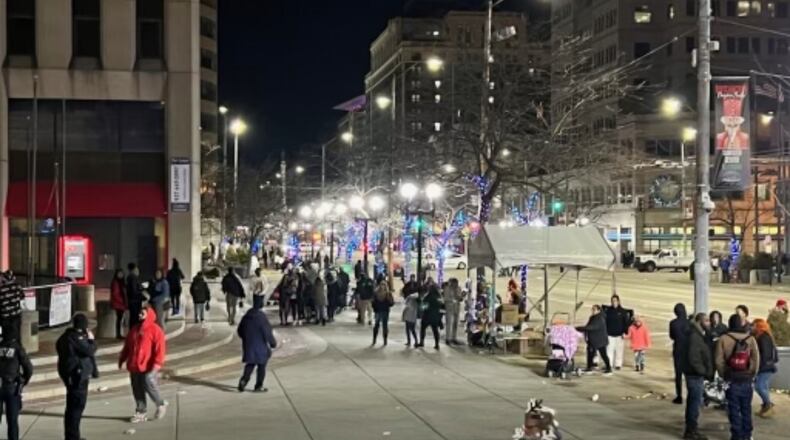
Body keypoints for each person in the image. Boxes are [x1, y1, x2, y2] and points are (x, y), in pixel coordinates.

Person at [119, 306, 167, 424]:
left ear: (149, 315)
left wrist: (157, 364)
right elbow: (127, 346)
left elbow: (160, 349)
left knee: (148, 381)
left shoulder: (156, 330)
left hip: (149, 365)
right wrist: (122, 359)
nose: (139, 315)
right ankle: (141, 411)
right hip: (134, 364)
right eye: (140, 313)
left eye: (142, 313)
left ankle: (160, 403)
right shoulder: (134, 329)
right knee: (137, 389)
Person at [715, 314, 759, 440]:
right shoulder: (750, 339)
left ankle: (736, 434)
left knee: (733, 408)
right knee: (746, 408)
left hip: (731, 379)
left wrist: (724, 374)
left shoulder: (723, 339)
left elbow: (718, 360)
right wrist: (751, 373)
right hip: (746, 379)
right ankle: (747, 434)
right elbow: (756, 359)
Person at [56, 313, 98, 440]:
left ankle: (72, 435)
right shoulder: (76, 338)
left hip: (71, 375)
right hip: (77, 377)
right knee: (76, 407)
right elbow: (90, 350)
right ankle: (72, 437)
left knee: (72, 407)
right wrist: (91, 340)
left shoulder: (64, 337)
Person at [682, 313, 714, 440]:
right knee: (694, 403)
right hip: (694, 375)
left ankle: (691, 429)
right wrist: (703, 371)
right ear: (700, 322)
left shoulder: (698, 335)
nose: (709, 323)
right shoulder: (695, 336)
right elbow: (694, 358)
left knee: (694, 402)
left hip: (694, 374)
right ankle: (691, 431)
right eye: (706, 321)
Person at [237, 295, 277, 392]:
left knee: (250, 363)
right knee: (261, 365)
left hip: (249, 345)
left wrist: (246, 338)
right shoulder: (261, 317)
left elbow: (240, 330)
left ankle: (244, 380)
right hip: (260, 346)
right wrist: (273, 343)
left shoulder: (246, 317)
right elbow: (267, 332)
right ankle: (258, 385)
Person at [0, 330, 32, 440]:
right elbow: (28, 367)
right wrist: (24, 380)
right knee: (12, 421)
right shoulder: (17, 348)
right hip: (12, 387)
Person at [752, 318, 778, 417]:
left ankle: (768, 405)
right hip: (768, 366)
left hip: (765, 367)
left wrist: (758, 366)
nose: (752, 327)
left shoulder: (763, 337)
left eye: (754, 325)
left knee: (759, 386)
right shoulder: (765, 336)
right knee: (764, 387)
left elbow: (765, 354)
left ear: (759, 326)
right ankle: (766, 407)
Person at [576, 305, 612, 374]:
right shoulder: (592, 317)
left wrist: (580, 328)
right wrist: (582, 329)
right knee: (590, 354)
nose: (592, 311)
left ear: (598, 310)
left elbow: (592, 327)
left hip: (600, 341)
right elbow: (588, 326)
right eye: (592, 309)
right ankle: (589, 367)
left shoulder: (600, 318)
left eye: (594, 309)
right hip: (593, 340)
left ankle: (608, 368)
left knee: (603, 354)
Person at [602, 294, 632, 370]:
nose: (614, 302)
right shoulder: (608, 311)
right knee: (609, 351)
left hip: (619, 335)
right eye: (612, 301)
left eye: (615, 301)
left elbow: (626, 323)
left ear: (618, 301)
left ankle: (618, 364)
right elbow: (604, 322)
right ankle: (609, 364)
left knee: (619, 351)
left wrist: (625, 332)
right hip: (610, 334)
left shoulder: (623, 312)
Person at [670, 303, 690, 404]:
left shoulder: (673, 323)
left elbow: (672, 336)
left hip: (678, 349)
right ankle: (690, 395)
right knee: (688, 374)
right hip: (687, 350)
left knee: (678, 374)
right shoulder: (689, 322)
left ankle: (679, 396)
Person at [417, 284, 443, 350]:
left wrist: (420, 303)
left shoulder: (427, 297)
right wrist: (440, 317)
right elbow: (442, 308)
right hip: (435, 316)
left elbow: (423, 307)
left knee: (423, 329)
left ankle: (422, 342)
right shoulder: (439, 297)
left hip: (427, 316)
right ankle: (437, 344)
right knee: (435, 331)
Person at [0, 270, 24, 340]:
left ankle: (9, 348)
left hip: (5, 317)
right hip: (16, 315)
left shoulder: (1, 289)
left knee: (7, 336)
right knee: (17, 335)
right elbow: (22, 297)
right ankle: (18, 348)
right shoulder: (18, 286)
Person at [372, 275, 394, 346]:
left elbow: (392, 303)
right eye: (381, 285)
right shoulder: (376, 293)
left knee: (385, 326)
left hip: (385, 311)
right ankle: (374, 339)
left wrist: (388, 300)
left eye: (384, 285)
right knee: (376, 325)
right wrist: (375, 309)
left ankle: (385, 340)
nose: (382, 286)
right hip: (378, 311)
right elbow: (373, 302)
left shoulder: (388, 293)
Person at [443, 278, 464, 345]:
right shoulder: (447, 289)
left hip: (456, 308)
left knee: (455, 324)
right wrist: (453, 300)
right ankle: (448, 338)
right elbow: (446, 299)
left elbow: (459, 297)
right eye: (454, 283)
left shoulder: (458, 288)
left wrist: (461, 297)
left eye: (456, 283)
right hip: (449, 308)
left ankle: (454, 338)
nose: (455, 285)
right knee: (449, 323)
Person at [109, 268, 128, 339]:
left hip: (120, 303)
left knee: (120, 319)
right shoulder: (115, 282)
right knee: (119, 319)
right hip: (118, 304)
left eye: (121, 273)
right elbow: (115, 294)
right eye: (119, 273)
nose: (120, 275)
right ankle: (118, 334)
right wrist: (122, 302)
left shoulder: (121, 282)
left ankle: (119, 333)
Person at [126, 263, 145, 327]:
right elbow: (134, 291)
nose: (138, 270)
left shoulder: (129, 278)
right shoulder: (133, 278)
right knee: (135, 319)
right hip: (135, 302)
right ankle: (134, 333)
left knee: (133, 318)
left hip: (133, 301)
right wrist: (143, 296)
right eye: (137, 269)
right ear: (133, 269)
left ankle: (133, 333)